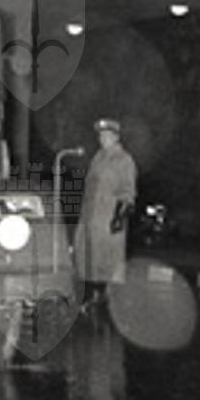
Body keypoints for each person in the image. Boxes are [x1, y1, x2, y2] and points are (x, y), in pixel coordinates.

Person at [76, 117, 138, 296]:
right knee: (87, 260)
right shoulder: (98, 158)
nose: (102, 139)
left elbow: (128, 192)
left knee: (107, 262)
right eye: (101, 135)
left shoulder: (124, 160)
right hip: (90, 218)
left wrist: (119, 217)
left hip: (108, 218)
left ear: (116, 137)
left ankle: (107, 301)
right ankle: (90, 298)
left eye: (107, 135)